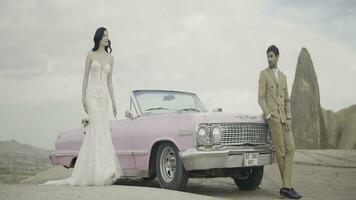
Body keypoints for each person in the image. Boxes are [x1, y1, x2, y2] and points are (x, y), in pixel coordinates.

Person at [39, 27, 122, 186]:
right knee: (96, 127)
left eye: (107, 36)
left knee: (102, 130)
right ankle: (97, 172)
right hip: (92, 95)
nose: (106, 38)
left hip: (104, 97)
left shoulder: (111, 58)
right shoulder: (90, 55)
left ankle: (104, 169)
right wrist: (83, 97)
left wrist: (114, 101)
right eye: (104, 35)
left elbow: (110, 81)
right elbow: (84, 78)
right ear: (98, 37)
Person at [258, 45, 302, 199]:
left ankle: (286, 186)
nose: (269, 59)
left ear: (277, 57)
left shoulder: (283, 76)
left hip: (284, 117)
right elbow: (261, 98)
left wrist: (289, 117)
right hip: (273, 118)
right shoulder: (264, 74)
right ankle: (287, 188)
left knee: (291, 148)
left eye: (271, 56)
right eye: (268, 56)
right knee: (281, 151)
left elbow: (287, 100)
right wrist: (268, 115)